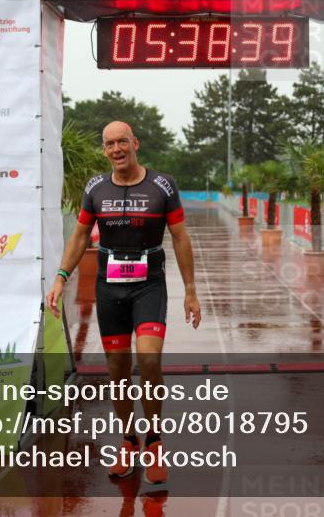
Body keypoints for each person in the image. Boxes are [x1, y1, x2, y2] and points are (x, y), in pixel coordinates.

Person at [46, 121, 201, 486]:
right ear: (105, 150)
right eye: (109, 144)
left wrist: (191, 290)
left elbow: (180, 237)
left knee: (148, 359)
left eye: (122, 142)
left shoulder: (162, 185)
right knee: (117, 368)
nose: (116, 149)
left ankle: (154, 440)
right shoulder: (95, 188)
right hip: (110, 288)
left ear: (135, 144)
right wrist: (61, 277)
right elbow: (79, 236)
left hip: (149, 286)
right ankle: (129, 440)